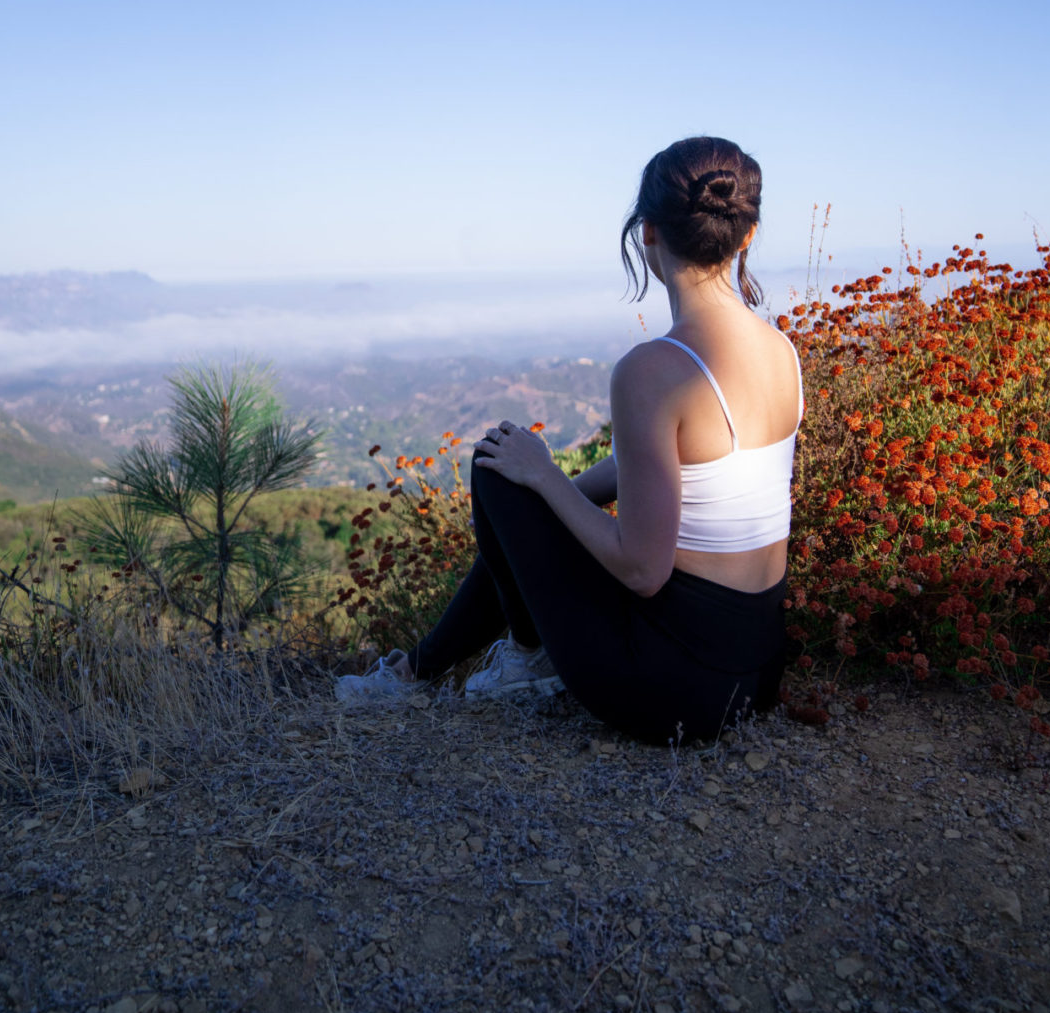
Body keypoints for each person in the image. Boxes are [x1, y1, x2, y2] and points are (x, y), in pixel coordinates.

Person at [335, 136, 803, 745]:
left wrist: (547, 481)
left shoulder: (652, 371)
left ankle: (505, 663)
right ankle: (426, 668)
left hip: (671, 693)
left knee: (491, 462)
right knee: (517, 473)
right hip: (755, 673)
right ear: (747, 236)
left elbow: (642, 570)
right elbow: (695, 469)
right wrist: (545, 498)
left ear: (648, 234)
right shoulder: (782, 353)